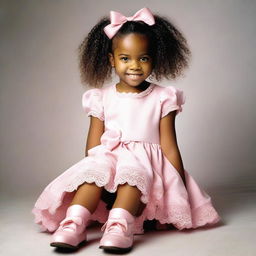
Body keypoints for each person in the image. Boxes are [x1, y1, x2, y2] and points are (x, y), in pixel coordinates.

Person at [32, 7, 221, 253]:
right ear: (112, 60)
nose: (134, 65)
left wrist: (178, 185)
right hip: (108, 159)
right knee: (93, 173)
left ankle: (119, 226)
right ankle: (73, 223)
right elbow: (92, 147)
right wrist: (95, 173)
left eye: (143, 58)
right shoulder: (100, 97)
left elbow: (169, 146)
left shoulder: (164, 97)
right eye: (125, 58)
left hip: (147, 169)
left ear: (154, 59)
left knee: (132, 175)